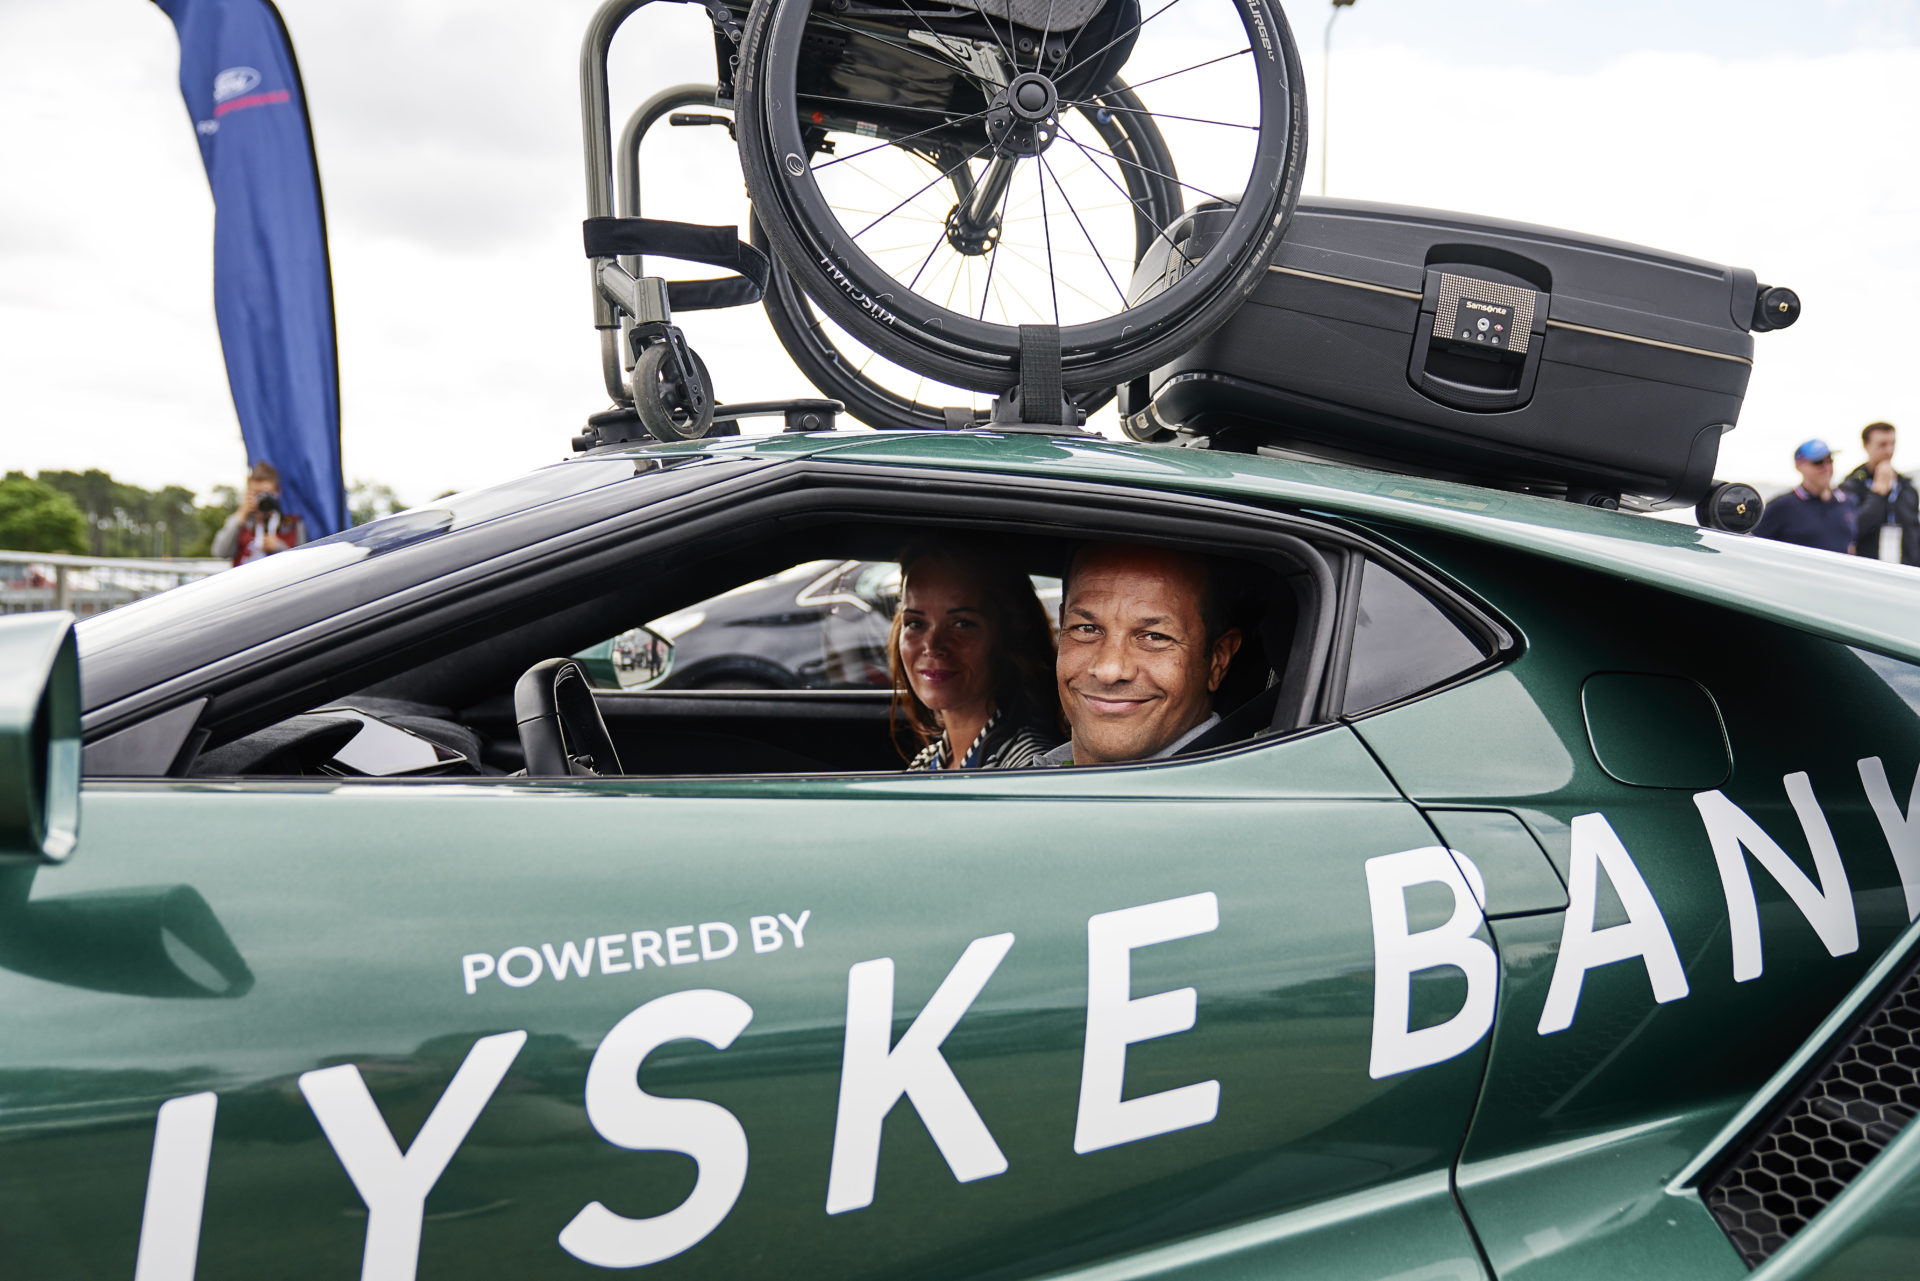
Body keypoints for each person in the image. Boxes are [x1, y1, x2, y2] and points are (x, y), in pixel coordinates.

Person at [1034, 542, 1242, 767]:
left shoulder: (1235, 787)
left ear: (1218, 660)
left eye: (1155, 636)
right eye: (1086, 628)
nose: (1109, 671)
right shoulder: (1033, 774)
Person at [889, 543, 1061, 770]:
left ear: (1010, 635)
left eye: (962, 624)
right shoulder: (929, 761)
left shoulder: (1028, 768)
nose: (932, 646)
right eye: (915, 623)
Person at [1753, 439, 1856, 555]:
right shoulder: (1782, 506)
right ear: (1799, 465)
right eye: (1818, 462)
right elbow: (1754, 546)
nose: (1826, 468)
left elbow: (1851, 546)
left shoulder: (1848, 502)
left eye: (1830, 461)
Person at [1839, 421, 1917, 566]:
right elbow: (1853, 529)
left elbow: (1913, 531)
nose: (1889, 450)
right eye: (1882, 445)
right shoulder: (1852, 486)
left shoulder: (1906, 487)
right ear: (1866, 446)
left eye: (1892, 443)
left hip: (1906, 569)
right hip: (1869, 568)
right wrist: (1878, 493)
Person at [211, 460, 305, 566]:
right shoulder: (241, 523)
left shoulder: (293, 524)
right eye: (256, 494)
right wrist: (240, 515)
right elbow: (220, 552)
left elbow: (303, 562)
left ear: (278, 492)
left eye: (267, 494)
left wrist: (280, 547)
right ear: (248, 494)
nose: (262, 499)